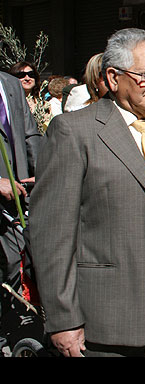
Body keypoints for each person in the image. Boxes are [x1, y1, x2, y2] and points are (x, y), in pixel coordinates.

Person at [29, 28, 145, 357]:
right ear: (113, 77)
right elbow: (52, 234)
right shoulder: (74, 132)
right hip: (109, 318)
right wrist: (63, 319)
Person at [0, 70, 42, 348]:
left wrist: (44, 173)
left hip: (18, 195)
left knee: (16, 263)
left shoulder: (10, 83)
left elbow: (30, 135)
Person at [9, 61, 50, 134]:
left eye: (31, 74)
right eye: (21, 75)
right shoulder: (9, 103)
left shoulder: (43, 104)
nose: (27, 78)